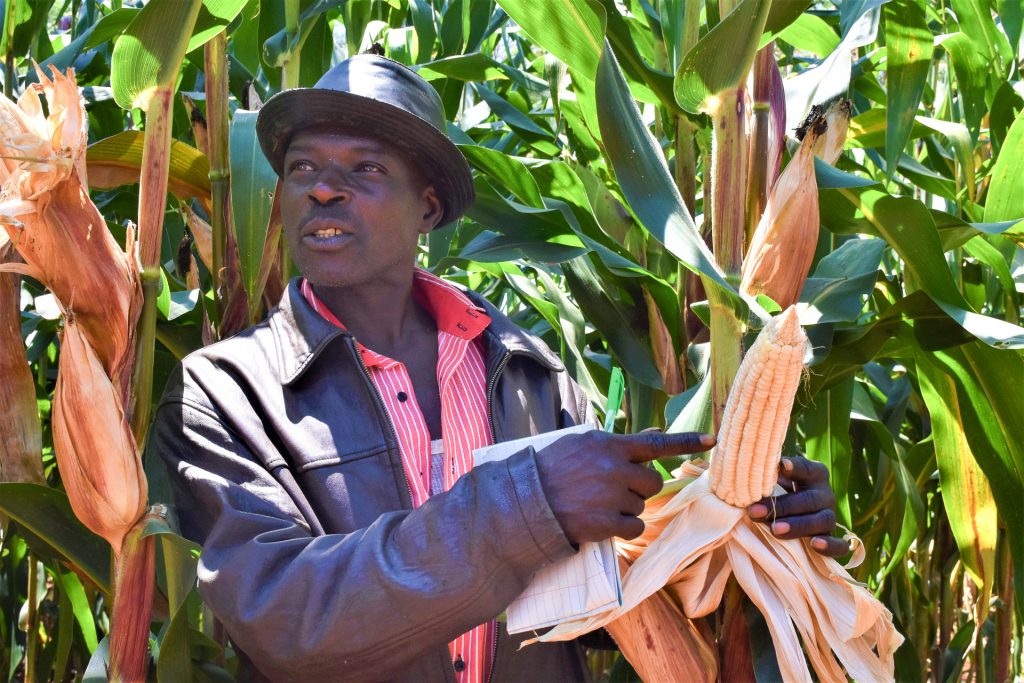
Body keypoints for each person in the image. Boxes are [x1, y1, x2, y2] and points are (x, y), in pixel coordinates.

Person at [149, 53, 847, 682]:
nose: (322, 190)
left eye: (365, 169)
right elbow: (288, 622)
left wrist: (755, 534)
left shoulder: (531, 376)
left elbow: (606, 604)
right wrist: (528, 503)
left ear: (427, 208)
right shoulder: (225, 395)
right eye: (302, 168)